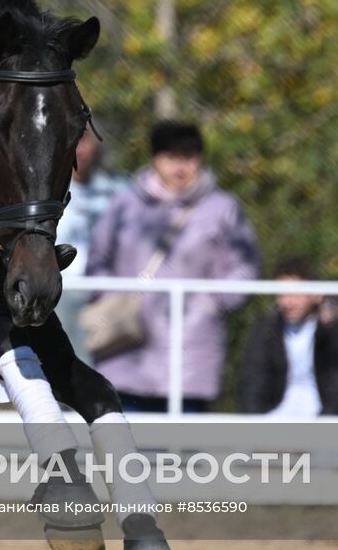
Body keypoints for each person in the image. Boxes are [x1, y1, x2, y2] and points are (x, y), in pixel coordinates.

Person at [84, 120, 260, 413]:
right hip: (127, 349)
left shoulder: (223, 209)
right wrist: (116, 298)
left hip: (191, 354)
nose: (180, 168)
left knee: (184, 442)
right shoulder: (124, 205)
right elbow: (97, 261)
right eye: (171, 157)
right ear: (155, 159)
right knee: (124, 440)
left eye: (188, 157)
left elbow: (245, 267)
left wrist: (211, 303)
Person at [238, 257, 338, 417]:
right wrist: (255, 420)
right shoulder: (267, 330)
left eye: (295, 294)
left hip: (321, 420)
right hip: (274, 418)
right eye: (281, 294)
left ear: (315, 294)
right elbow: (254, 381)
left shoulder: (331, 331)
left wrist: (327, 420)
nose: (287, 301)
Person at [54, 127, 127, 358]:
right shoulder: (44, 192)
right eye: (72, 139)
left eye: (84, 139)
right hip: (59, 290)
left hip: (105, 292)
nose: (79, 148)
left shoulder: (119, 190)